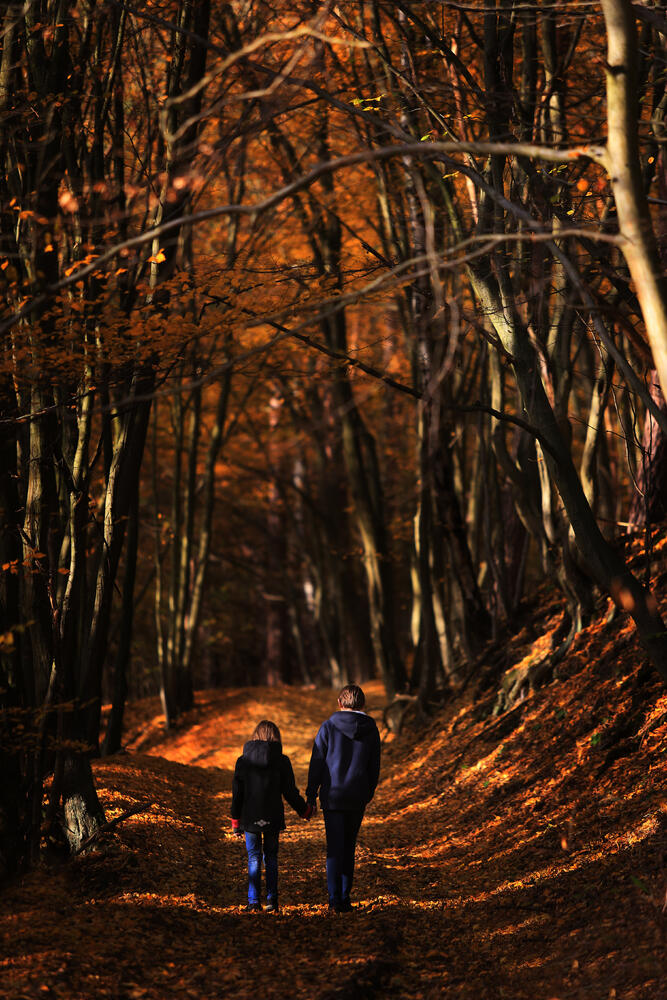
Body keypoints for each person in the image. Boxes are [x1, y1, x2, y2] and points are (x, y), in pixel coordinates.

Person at [306, 684, 381, 913]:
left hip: (333, 796)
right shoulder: (371, 729)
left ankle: (334, 898)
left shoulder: (328, 727)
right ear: (363, 705)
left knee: (334, 847)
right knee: (349, 846)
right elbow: (374, 766)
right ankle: (345, 898)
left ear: (340, 703)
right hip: (357, 796)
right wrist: (367, 793)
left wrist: (311, 794)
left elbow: (317, 762)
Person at [231, 719, 313, 912]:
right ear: (276, 737)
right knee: (271, 858)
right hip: (273, 816)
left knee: (253, 858)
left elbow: (238, 794)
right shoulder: (282, 761)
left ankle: (253, 902)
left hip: (250, 818)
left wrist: (236, 822)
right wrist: (305, 810)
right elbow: (290, 792)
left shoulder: (243, 762)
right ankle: (272, 901)